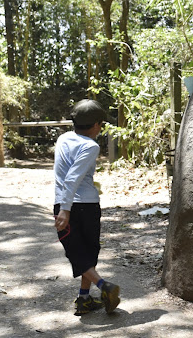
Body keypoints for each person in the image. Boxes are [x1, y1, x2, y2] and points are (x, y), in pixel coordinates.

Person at [53, 99, 120, 315]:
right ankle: (104, 286)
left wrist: (63, 206)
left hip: (67, 203)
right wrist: (65, 208)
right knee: (83, 253)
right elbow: (72, 178)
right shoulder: (91, 146)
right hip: (81, 207)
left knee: (81, 252)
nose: (101, 129)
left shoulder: (63, 139)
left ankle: (84, 299)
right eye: (101, 124)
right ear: (95, 125)